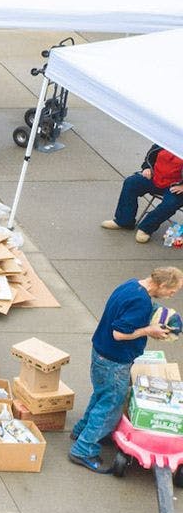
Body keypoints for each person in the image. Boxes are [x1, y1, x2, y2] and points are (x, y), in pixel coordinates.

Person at [69, 267, 182, 473]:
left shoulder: (131, 285)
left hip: (101, 353)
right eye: (172, 291)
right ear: (162, 285)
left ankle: (81, 431)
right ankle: (84, 449)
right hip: (115, 360)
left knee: (102, 396)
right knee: (111, 406)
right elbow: (119, 334)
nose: (173, 295)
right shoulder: (141, 302)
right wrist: (149, 330)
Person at [103, 145, 183, 243]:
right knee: (131, 182)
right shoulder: (165, 139)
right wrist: (147, 168)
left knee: (171, 202)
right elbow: (150, 157)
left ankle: (146, 228)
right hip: (155, 177)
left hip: (176, 186)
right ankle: (124, 221)